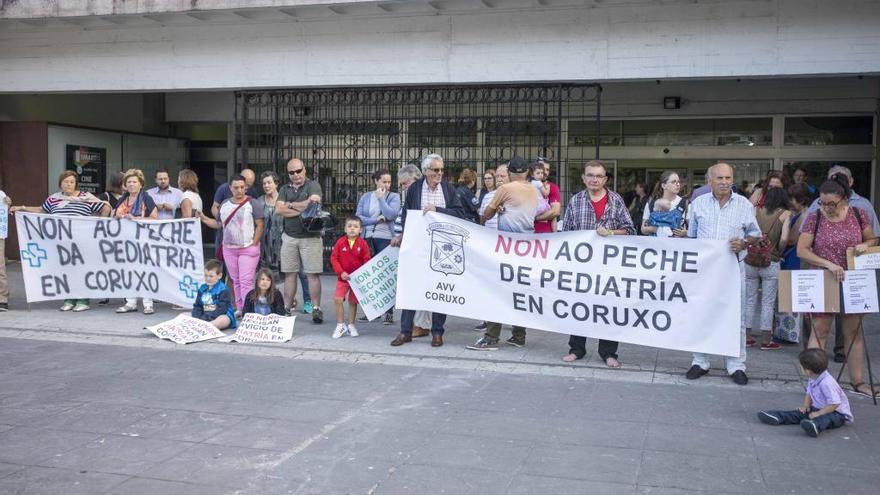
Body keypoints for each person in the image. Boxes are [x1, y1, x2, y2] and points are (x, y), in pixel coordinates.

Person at [797, 175, 879, 399]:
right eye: (822, 202)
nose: (826, 208)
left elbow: (873, 240)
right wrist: (829, 264)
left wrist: (865, 244)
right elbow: (802, 249)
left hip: (854, 279)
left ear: (844, 200)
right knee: (820, 330)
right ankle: (815, 385)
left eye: (831, 204)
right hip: (824, 277)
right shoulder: (815, 217)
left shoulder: (858, 214)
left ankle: (858, 381)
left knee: (853, 333)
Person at [685, 162, 761, 385]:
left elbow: (756, 235)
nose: (725, 182)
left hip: (733, 269)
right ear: (710, 181)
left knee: (736, 317)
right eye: (720, 178)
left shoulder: (744, 205)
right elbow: (692, 238)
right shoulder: (698, 204)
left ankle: (736, 365)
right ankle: (700, 361)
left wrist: (744, 242)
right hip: (705, 271)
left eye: (728, 178)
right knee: (701, 314)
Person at [560, 160, 636, 368]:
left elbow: (630, 230)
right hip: (582, 267)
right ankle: (576, 349)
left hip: (609, 268)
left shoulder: (616, 200)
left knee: (609, 309)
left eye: (598, 176)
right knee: (579, 308)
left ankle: (609, 352)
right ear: (584, 178)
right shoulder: (576, 201)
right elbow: (566, 233)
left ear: (605, 179)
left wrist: (610, 233)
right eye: (590, 175)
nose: (594, 179)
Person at [467, 157, 542, 351]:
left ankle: (491, 337)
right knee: (518, 291)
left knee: (496, 290)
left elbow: (487, 215)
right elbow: (545, 212)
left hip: (506, 247)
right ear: (527, 172)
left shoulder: (505, 190)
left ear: (509, 172)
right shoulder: (534, 190)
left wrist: (492, 215)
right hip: (527, 247)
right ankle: (519, 335)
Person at [389, 153, 463, 348]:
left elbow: (459, 213)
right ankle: (405, 332)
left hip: (441, 247)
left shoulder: (448, 189)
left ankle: (437, 333)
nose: (439, 173)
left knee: (439, 289)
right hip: (417, 246)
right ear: (425, 171)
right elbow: (407, 214)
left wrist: (437, 210)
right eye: (435, 170)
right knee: (410, 288)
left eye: (441, 169)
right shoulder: (415, 189)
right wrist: (404, 237)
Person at [11, 170, 110, 312]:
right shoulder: (54, 199)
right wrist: (22, 208)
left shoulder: (86, 197)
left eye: (71, 182)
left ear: (76, 184)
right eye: (65, 182)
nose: (68, 184)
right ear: (60, 184)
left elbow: (105, 207)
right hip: (60, 243)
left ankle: (83, 300)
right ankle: (69, 299)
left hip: (81, 242)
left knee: (81, 270)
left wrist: (100, 223)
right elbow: (42, 210)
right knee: (65, 270)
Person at [199, 174, 264, 314]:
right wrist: (203, 218)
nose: (239, 190)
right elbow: (218, 224)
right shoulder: (225, 204)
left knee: (246, 281)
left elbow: (260, 224)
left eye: (242, 187)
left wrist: (254, 243)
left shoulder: (253, 203)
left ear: (246, 187)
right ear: (230, 188)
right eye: (236, 187)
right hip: (229, 248)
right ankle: (240, 308)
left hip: (248, 248)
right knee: (235, 280)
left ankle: (248, 310)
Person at [758, 349, 852, 437]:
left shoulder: (827, 383)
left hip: (837, 413)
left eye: (801, 367)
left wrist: (819, 413)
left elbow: (834, 404)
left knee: (827, 419)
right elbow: (809, 392)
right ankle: (778, 417)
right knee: (799, 413)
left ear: (808, 371)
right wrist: (805, 406)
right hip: (818, 408)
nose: (800, 369)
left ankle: (815, 426)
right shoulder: (813, 377)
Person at [275, 158, 325, 323]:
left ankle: (316, 309)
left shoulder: (313, 185)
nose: (296, 175)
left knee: (312, 275)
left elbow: (313, 204)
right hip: (289, 237)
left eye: (298, 171)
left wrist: (289, 205)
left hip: (311, 237)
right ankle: (287, 309)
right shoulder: (284, 188)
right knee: (290, 274)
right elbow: (278, 209)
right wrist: (301, 206)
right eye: (292, 172)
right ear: (288, 173)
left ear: (305, 170)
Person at [744, 187, 792, 351]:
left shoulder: (755, 210)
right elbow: (784, 238)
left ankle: (747, 337)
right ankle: (766, 340)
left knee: (749, 300)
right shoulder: (785, 214)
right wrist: (778, 250)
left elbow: (746, 232)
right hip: (771, 261)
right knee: (768, 302)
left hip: (750, 259)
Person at [391, 163, 433, 337]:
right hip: (413, 248)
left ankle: (423, 325)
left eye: (405, 183)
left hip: (421, 249)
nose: (403, 187)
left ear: (415, 179)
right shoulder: (412, 196)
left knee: (422, 285)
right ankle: (419, 323)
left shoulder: (423, 197)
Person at [356, 169, 400, 324]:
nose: (387, 185)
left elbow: (390, 215)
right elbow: (359, 218)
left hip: (385, 238)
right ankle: (372, 311)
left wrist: (382, 199)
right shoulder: (366, 197)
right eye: (384, 181)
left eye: (389, 182)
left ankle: (388, 312)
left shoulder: (394, 196)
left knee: (384, 276)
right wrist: (376, 219)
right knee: (370, 276)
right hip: (367, 238)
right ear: (376, 181)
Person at [113, 169, 159, 314]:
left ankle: (148, 303)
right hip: (126, 241)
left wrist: (136, 219)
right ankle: (131, 302)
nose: (131, 185)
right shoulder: (123, 199)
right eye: (129, 182)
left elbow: (154, 218)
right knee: (129, 271)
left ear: (141, 184)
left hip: (143, 240)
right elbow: (114, 216)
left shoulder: (146, 198)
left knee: (145, 271)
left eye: (134, 182)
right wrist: (118, 217)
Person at [473, 164, 508, 332]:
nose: (489, 181)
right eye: (485, 179)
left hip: (505, 242)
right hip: (489, 241)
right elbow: (482, 217)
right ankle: (486, 318)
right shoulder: (486, 196)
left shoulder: (509, 195)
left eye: (491, 178)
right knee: (487, 281)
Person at [330, 217, 371, 339]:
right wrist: (340, 272)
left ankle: (351, 325)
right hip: (343, 278)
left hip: (356, 280)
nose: (352, 228)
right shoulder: (340, 242)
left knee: (353, 302)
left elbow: (366, 260)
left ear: (360, 230)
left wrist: (362, 274)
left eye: (355, 226)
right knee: (338, 299)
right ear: (345, 228)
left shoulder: (363, 244)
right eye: (350, 226)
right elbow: (334, 258)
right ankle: (340, 324)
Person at [641, 171, 688, 238]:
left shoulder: (685, 203)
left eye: (678, 182)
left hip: (677, 247)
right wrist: (656, 229)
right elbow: (643, 229)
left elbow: (693, 231)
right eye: (673, 182)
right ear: (663, 185)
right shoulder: (651, 203)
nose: (677, 184)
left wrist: (685, 233)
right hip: (655, 246)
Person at [192, 259, 236, 330]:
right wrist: (196, 317)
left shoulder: (223, 290)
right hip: (204, 314)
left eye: (211, 276)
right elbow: (197, 306)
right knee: (184, 315)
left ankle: (206, 327)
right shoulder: (202, 288)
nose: (208, 279)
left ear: (219, 276)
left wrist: (205, 318)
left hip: (221, 315)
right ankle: (200, 325)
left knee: (222, 320)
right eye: (206, 276)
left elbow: (222, 309)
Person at [781, 183, 812, 270]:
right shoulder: (800, 213)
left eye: (791, 199)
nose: (789, 202)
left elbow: (791, 240)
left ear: (801, 200)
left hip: (795, 257)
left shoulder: (805, 216)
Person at [534, 157, 562, 233]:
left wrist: (535, 218)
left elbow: (555, 211)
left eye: (547, 170)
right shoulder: (527, 185)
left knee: (554, 217)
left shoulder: (552, 187)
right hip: (526, 234)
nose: (545, 172)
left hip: (546, 236)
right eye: (542, 168)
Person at [0, 186, 10, 312]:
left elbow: (4, 210)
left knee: (0, 267)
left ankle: (2, 298)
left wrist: (7, 203)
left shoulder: (0, 194)